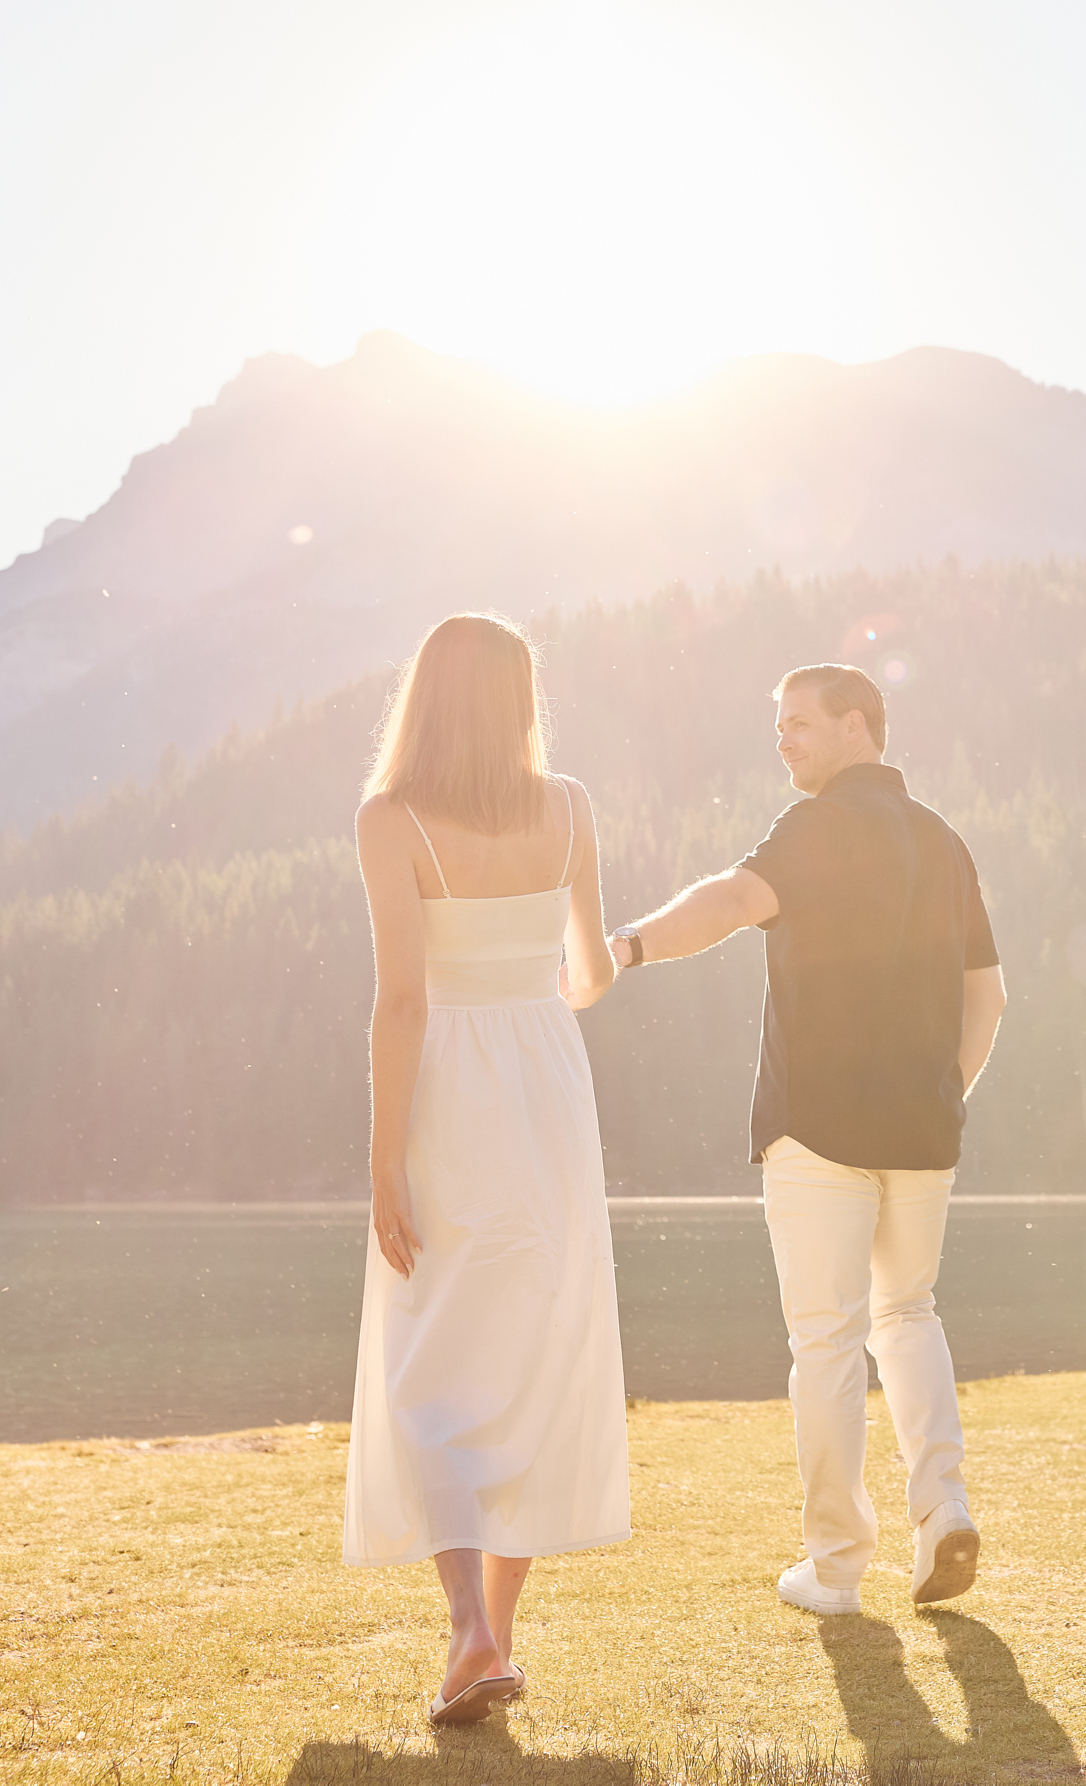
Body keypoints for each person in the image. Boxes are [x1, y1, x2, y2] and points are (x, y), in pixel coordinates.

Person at [606, 663, 1007, 1616]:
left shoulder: (816, 827)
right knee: (907, 1317)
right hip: (923, 1130)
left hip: (820, 1128)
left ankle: (834, 1571)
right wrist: (945, 1091)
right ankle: (941, 1505)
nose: (782, 739)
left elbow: (731, 903)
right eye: (777, 723)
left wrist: (623, 948)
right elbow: (987, 995)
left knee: (825, 1341)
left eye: (799, 724)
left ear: (858, 726)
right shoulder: (944, 842)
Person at [342, 613, 626, 1726]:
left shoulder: (389, 817)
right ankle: (492, 1637)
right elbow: (590, 973)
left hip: (450, 1091)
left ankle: (469, 1630)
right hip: (548, 1085)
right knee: (533, 1347)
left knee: (429, 1353)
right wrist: (536, 983)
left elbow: (403, 1000)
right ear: (518, 701)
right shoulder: (572, 807)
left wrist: (382, 1160)